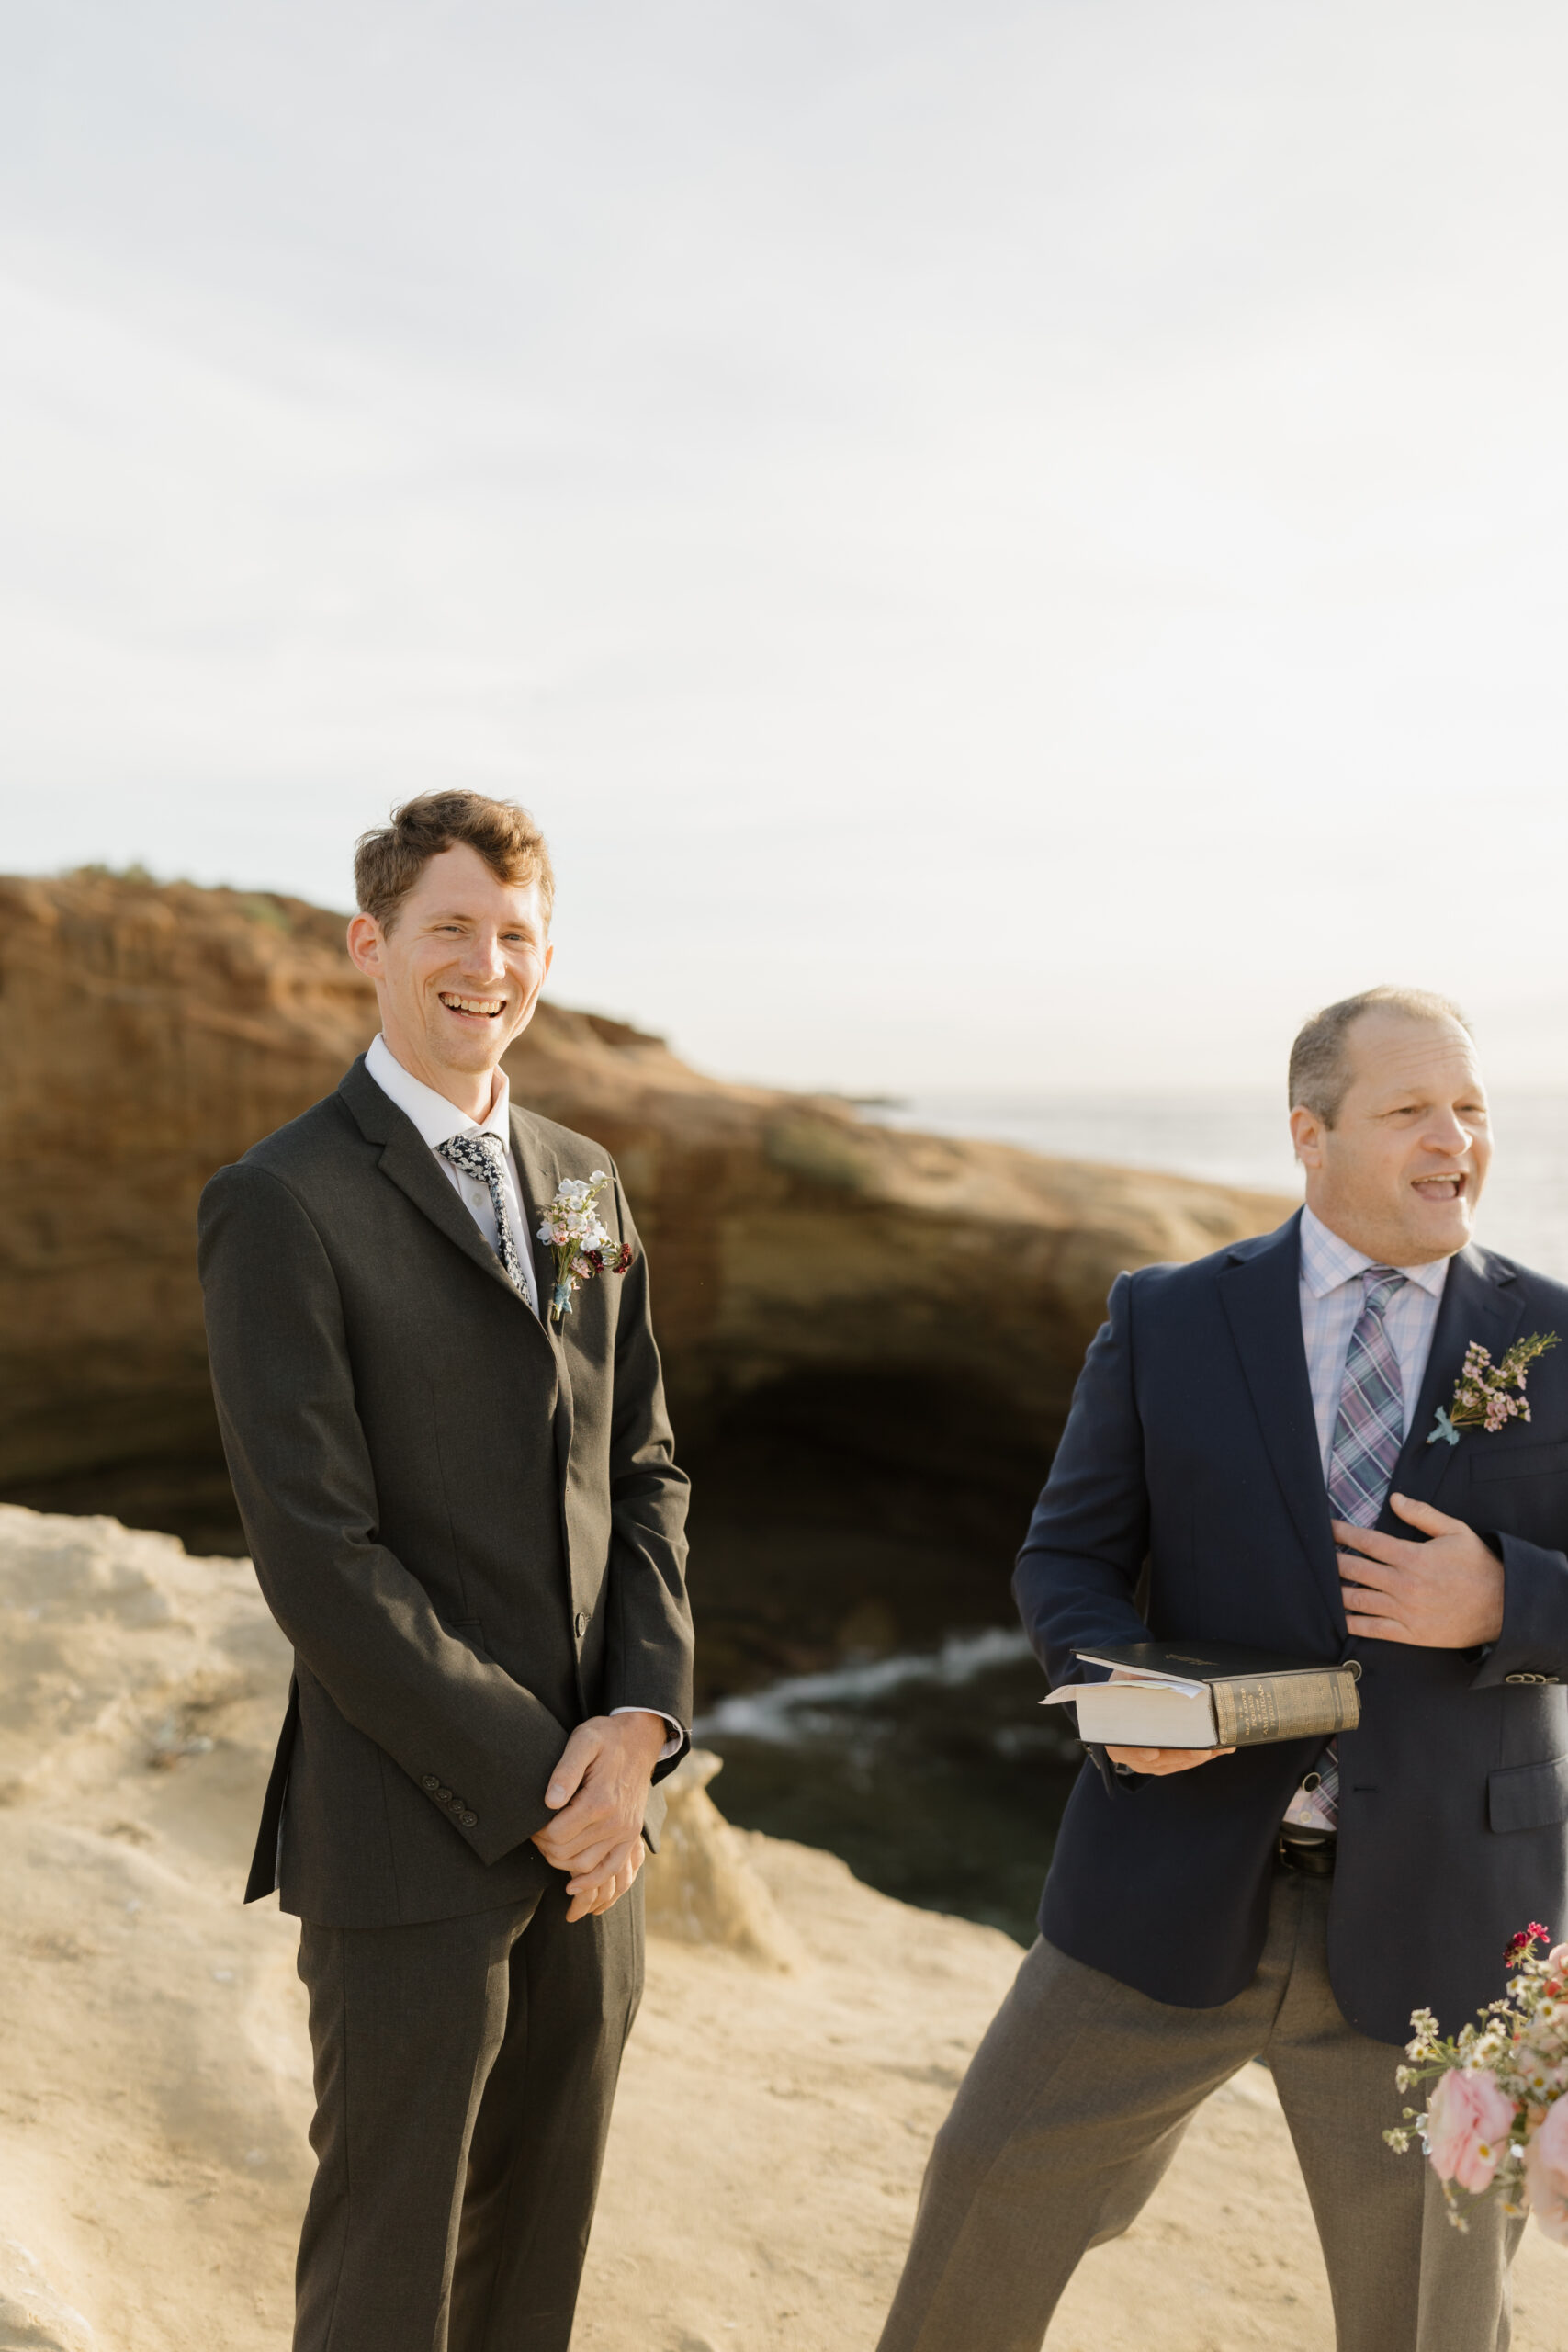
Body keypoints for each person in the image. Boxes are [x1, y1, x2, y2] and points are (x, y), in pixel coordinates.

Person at [877, 986, 1568, 2352]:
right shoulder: (1171, 1316)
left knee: (1432, 2321)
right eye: (1411, 1110)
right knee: (985, 2201)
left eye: (1474, 1110)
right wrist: (1121, 1698)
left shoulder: (1558, 1337)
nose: (1457, 1142)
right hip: (1165, 1873)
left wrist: (1510, 1598)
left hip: (1447, 1910)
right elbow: (1066, 1560)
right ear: (1310, 1134)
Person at [198, 791, 693, 2352]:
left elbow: (645, 1469)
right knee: (386, 2274)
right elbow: (320, 1557)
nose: (490, 966)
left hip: (597, 1829)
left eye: (519, 936)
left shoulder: (581, 1178)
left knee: (534, 2258)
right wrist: (550, 1779)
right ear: (374, 945)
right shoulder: (280, 1201)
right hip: (411, 1825)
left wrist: (643, 1730)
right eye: (454, 931)